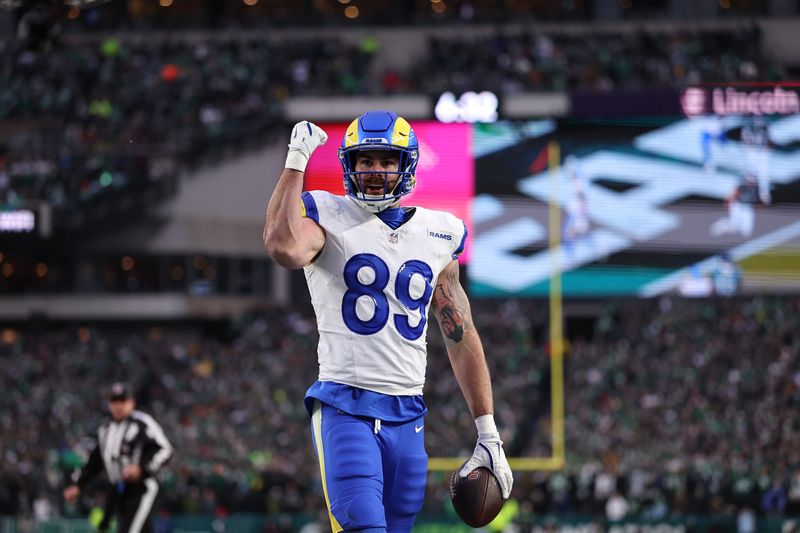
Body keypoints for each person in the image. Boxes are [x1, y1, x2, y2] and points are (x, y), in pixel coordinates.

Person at [263, 110, 513, 532]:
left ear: (406, 165)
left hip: (409, 414)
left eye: (386, 161)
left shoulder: (440, 232)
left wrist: (487, 429)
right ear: (350, 165)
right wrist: (296, 160)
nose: (376, 171)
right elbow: (283, 246)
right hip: (346, 406)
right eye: (366, 160)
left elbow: (460, 333)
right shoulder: (326, 214)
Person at [63, 382, 173, 533]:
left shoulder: (142, 423)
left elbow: (165, 449)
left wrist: (142, 469)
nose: (118, 406)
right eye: (114, 401)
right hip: (118, 489)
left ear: (131, 402)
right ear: (109, 404)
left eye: (122, 401)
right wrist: (78, 485)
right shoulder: (105, 429)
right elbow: (95, 462)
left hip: (142, 488)